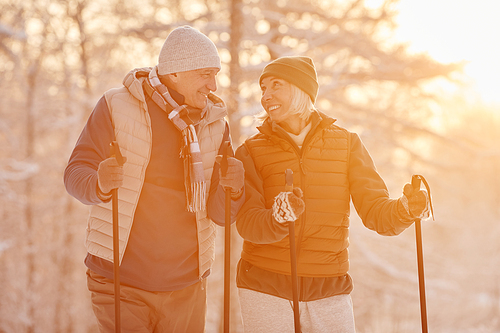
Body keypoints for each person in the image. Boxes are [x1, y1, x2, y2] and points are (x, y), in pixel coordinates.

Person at [64, 25, 245, 332]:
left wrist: (235, 189)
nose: (213, 85)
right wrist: (99, 183)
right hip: (121, 281)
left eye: (215, 74)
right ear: (175, 72)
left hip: (186, 287)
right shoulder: (117, 106)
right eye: (205, 74)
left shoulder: (215, 123)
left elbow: (219, 214)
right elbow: (74, 174)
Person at [234, 56, 431, 333]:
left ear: (301, 89)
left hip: (328, 286)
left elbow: (376, 212)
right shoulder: (250, 151)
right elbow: (247, 222)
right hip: (265, 285)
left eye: (276, 86)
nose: (266, 96)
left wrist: (405, 209)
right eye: (263, 88)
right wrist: (278, 217)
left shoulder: (347, 145)